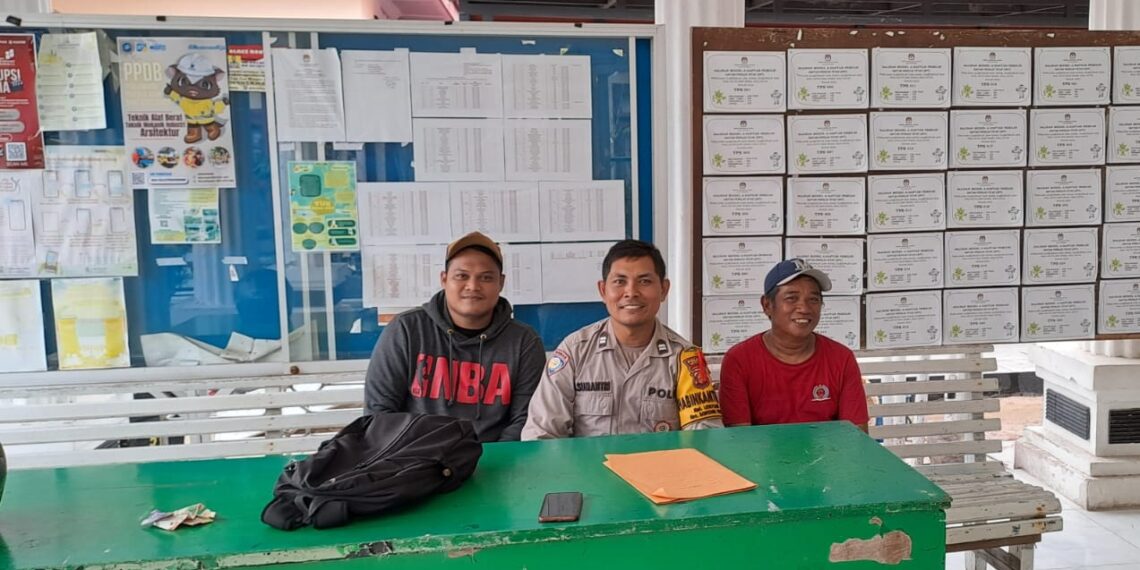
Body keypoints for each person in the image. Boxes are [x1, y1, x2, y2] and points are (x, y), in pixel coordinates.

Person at [522, 240, 723, 439]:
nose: (631, 292)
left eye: (644, 281)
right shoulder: (575, 351)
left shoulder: (685, 358)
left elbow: (703, 438)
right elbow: (541, 434)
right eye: (620, 281)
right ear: (603, 290)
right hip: (589, 471)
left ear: (664, 289)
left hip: (660, 470)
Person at [364, 231, 545, 442]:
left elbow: (524, 420)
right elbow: (380, 413)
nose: (473, 286)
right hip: (415, 461)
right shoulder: (406, 330)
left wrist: (491, 462)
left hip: (494, 462)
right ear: (444, 279)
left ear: (501, 283)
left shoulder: (524, 342)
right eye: (462, 276)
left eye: (486, 277)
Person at [718, 258, 869, 431]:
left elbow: (857, 438)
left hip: (829, 456)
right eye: (791, 298)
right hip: (761, 458)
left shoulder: (841, 359)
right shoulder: (739, 360)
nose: (804, 308)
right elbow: (739, 441)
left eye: (813, 299)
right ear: (767, 305)